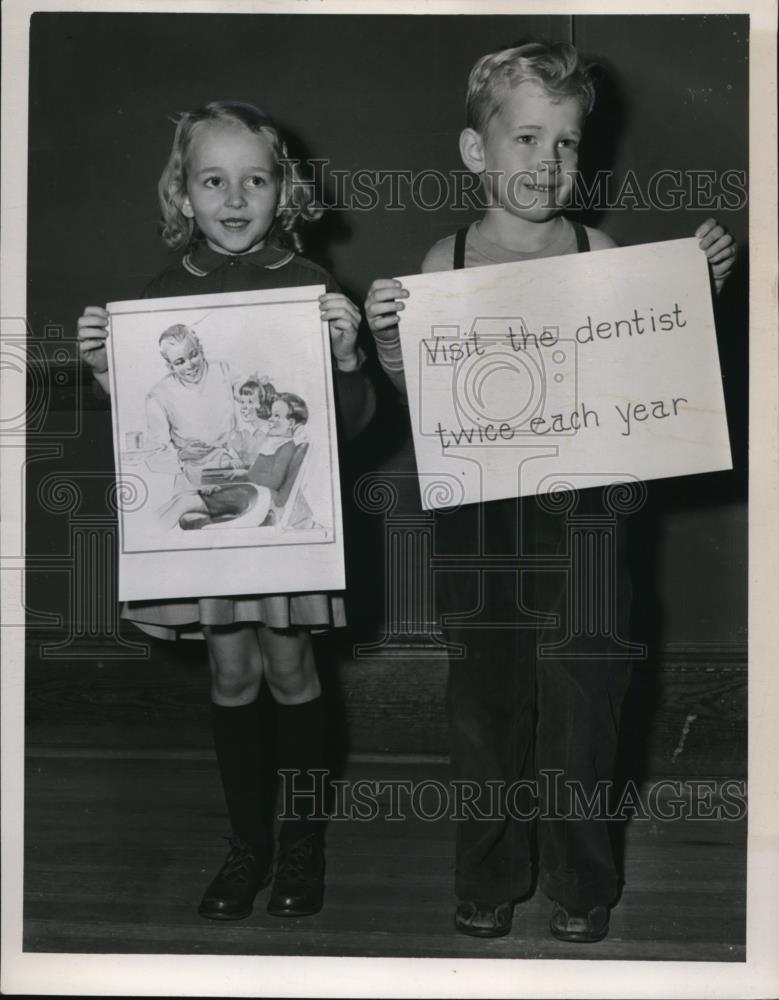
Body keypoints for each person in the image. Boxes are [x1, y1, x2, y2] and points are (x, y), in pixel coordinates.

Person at [365, 42, 736, 943]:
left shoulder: (596, 250)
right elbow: (425, 396)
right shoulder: (442, 259)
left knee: (585, 697)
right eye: (526, 138)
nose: (547, 162)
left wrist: (694, 295)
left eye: (566, 144)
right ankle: (489, 872)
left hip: (586, 519)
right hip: (478, 518)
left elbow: (642, 379)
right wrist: (384, 344)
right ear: (475, 152)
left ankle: (580, 882)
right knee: (485, 703)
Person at [77, 100, 375, 921]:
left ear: (286, 192)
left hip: (286, 528)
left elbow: (349, 427)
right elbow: (144, 434)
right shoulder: (163, 295)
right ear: (183, 195)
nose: (235, 198)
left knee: (289, 669)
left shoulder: (311, 285)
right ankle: (248, 846)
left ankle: (301, 848)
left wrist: (348, 358)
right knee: (231, 673)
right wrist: (108, 372)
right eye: (214, 180)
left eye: (255, 179)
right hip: (211, 529)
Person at [169, 392, 311, 531]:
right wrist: (229, 480)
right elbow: (259, 472)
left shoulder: (285, 447)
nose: (271, 419)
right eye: (272, 415)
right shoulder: (274, 444)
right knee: (186, 511)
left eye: (277, 416)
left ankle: (152, 534)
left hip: (259, 498)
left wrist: (245, 474)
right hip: (253, 493)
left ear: (291, 423)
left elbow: (273, 480)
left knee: (184, 502)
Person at [145, 324, 244, 484]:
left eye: (193, 355)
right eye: (180, 362)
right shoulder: (158, 396)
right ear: (170, 366)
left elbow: (248, 393)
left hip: (233, 464)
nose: (190, 365)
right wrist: (182, 454)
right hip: (194, 475)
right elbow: (153, 456)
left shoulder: (223, 369)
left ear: (201, 350)